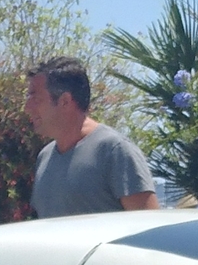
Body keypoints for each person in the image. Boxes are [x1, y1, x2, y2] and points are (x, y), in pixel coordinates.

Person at [24, 56, 158, 217]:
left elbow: (149, 225)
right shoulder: (45, 157)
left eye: (35, 99)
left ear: (65, 101)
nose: (27, 108)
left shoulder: (114, 151)